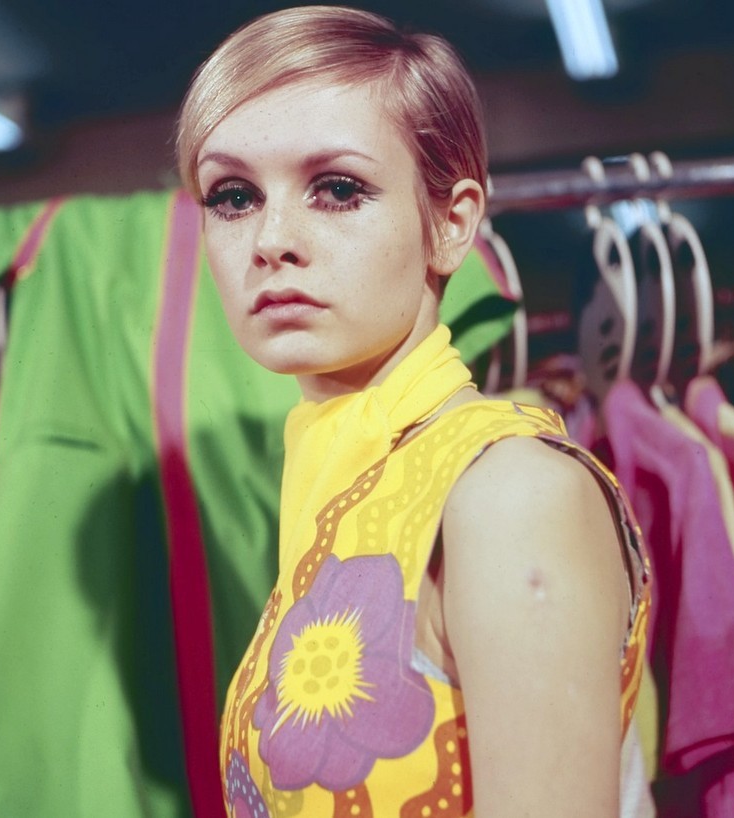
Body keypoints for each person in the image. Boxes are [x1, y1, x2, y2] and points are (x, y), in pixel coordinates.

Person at [175, 6, 650, 816]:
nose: (271, 238)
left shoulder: (508, 494)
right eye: (234, 195)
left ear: (451, 224)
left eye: (338, 188)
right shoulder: (339, 484)